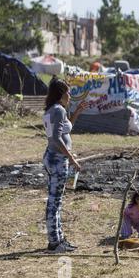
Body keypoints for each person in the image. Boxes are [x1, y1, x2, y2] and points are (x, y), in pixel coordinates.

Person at [42, 78, 88, 253]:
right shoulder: (59, 110)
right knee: (55, 202)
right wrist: (71, 159)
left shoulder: (53, 110)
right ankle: (54, 242)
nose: (70, 95)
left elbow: (64, 130)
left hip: (52, 157)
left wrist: (76, 113)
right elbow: (56, 138)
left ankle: (59, 238)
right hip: (57, 159)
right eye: (68, 92)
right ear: (61, 94)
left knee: (56, 200)